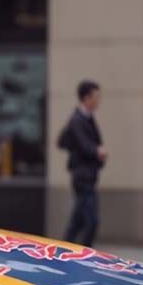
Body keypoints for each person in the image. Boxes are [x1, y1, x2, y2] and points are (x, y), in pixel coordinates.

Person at [58, 80, 106, 246]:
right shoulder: (77, 119)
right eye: (95, 97)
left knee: (78, 220)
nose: (98, 101)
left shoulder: (86, 118)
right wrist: (97, 151)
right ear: (86, 98)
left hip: (87, 174)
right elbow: (83, 144)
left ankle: (62, 249)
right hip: (82, 174)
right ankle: (84, 253)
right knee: (91, 220)